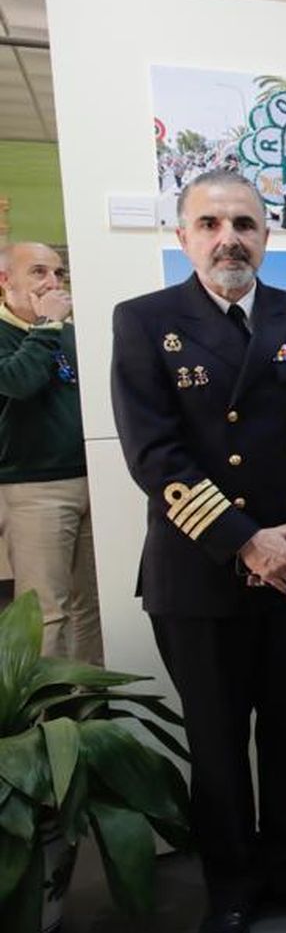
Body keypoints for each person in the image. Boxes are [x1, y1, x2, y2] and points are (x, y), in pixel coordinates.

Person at [109, 170, 286, 933]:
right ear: (184, 234)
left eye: (246, 224)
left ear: (266, 234)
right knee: (217, 743)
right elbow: (154, 455)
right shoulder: (147, 321)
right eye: (211, 223)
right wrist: (247, 540)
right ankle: (230, 889)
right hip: (200, 573)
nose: (230, 238)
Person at [0, 242, 102, 664]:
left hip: (91, 479)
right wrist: (46, 326)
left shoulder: (66, 332)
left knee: (91, 609)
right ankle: (47, 724)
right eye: (39, 272)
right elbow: (19, 381)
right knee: (46, 614)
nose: (51, 283)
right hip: (33, 489)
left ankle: (91, 717)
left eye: (58, 274)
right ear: (6, 280)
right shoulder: (42, 329)